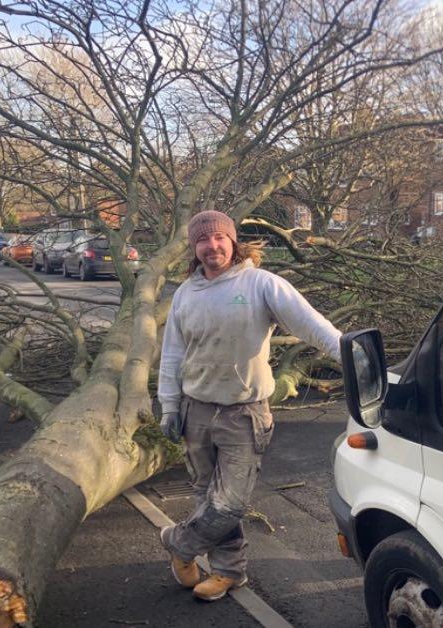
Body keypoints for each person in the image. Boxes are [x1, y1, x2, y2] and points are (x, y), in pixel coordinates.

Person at [157, 210, 343, 602]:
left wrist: (354, 356)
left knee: (229, 504)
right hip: (196, 409)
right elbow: (172, 355)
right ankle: (228, 572)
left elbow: (311, 325)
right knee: (206, 494)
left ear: (232, 240)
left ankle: (179, 542)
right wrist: (170, 407)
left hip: (244, 413)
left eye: (219, 238)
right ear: (194, 248)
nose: (212, 246)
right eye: (202, 241)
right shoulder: (185, 294)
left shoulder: (261, 284)